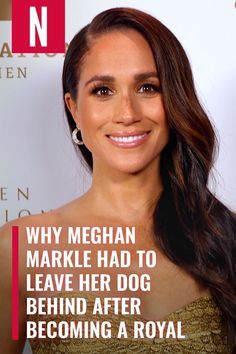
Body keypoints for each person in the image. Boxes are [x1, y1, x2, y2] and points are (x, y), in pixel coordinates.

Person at [0, 7, 235, 353]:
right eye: (103, 91)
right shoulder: (20, 249)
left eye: (147, 87)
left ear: (174, 101)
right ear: (74, 109)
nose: (127, 113)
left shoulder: (224, 237)